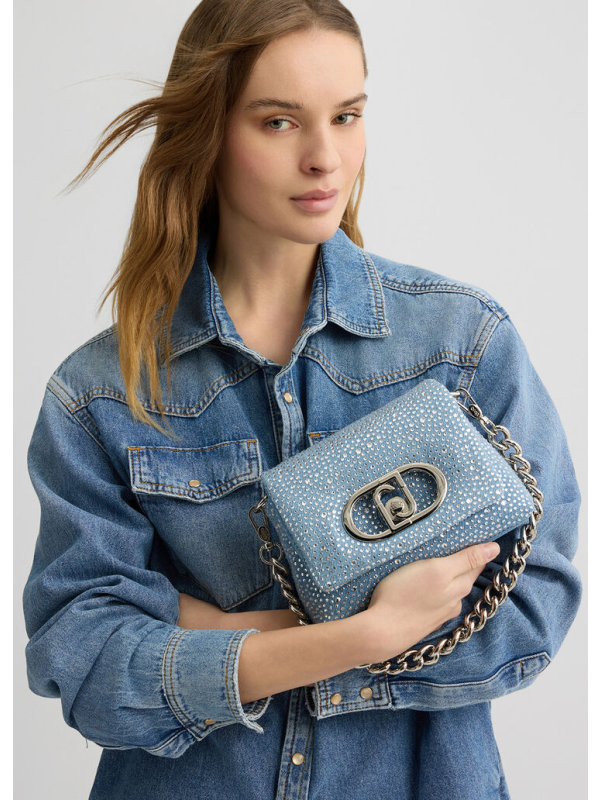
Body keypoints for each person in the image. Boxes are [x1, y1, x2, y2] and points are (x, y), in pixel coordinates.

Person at [23, 1, 582, 798]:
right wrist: (362, 633)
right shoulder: (103, 394)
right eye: (279, 122)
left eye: (346, 116)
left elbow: (532, 608)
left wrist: (215, 633)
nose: (325, 158)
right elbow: (86, 661)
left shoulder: (461, 344)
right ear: (208, 132)